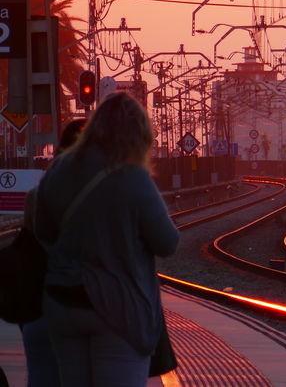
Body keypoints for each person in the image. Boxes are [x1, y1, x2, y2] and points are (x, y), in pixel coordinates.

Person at [34, 93, 179, 387]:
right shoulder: (133, 177)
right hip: (118, 308)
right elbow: (167, 243)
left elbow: (43, 230)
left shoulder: (59, 169)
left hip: (64, 301)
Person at [19, 118, 87, 387]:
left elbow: (28, 247)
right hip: (85, 308)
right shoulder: (104, 197)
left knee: (42, 375)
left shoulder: (36, 195)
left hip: (38, 305)